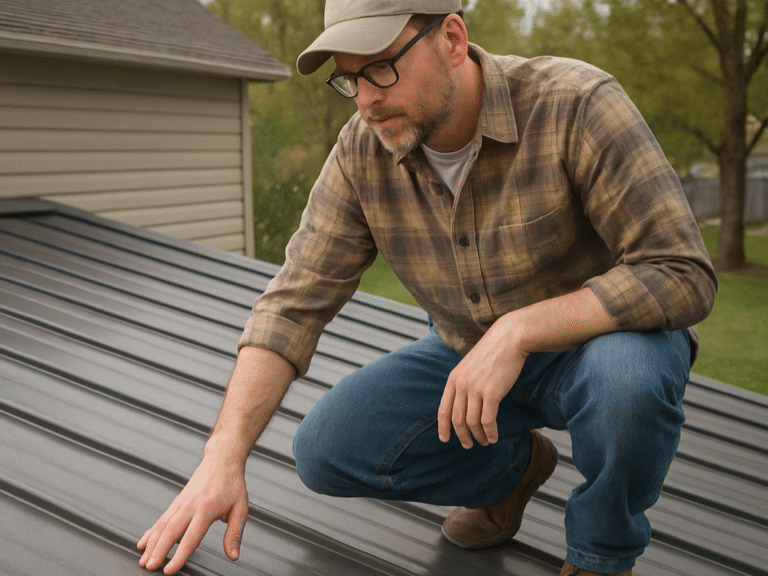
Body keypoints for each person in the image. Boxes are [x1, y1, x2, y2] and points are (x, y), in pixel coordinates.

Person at [137, 0, 717, 574]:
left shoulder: (576, 105)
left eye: (383, 66)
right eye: (350, 78)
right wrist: (222, 458)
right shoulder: (360, 153)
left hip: (602, 345)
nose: (366, 98)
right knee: (326, 450)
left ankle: (602, 552)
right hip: (468, 354)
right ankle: (512, 473)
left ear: (453, 38)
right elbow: (292, 304)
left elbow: (680, 270)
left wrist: (517, 330)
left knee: (628, 384)